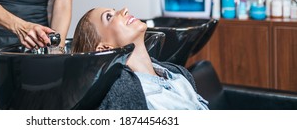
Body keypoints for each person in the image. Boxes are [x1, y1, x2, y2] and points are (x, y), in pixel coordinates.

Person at [72, 7, 209, 110]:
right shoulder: (124, 94)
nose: (124, 10)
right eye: (109, 17)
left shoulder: (176, 74)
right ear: (105, 48)